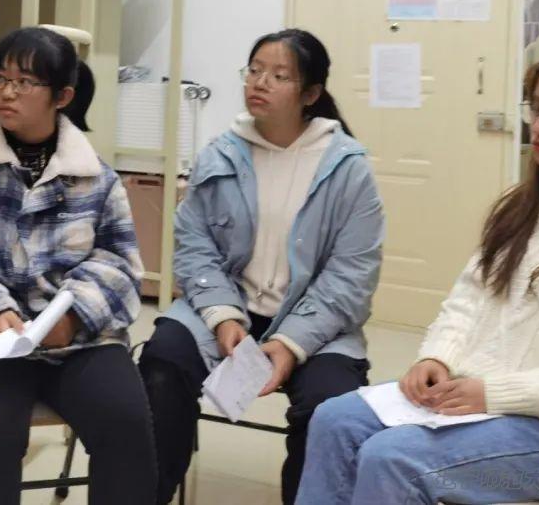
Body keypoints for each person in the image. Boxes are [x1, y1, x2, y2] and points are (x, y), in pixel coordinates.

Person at [297, 48, 539, 505]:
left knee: (395, 458)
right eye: (536, 109)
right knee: (335, 420)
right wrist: (437, 357)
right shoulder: (522, 206)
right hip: (478, 402)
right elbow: (471, 297)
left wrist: (494, 394)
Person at [0, 27, 155, 504]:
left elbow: (120, 263)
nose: (6, 92)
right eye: (0, 78)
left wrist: (72, 316)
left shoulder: (96, 177)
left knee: (126, 421)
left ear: (63, 96)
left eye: (24, 82)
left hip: (77, 338)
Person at [138, 28, 385, 505]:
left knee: (331, 408)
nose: (260, 82)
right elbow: (193, 245)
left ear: (310, 93)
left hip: (316, 322)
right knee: (162, 363)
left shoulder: (348, 169)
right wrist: (222, 316)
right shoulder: (221, 153)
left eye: (279, 75)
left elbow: (352, 275)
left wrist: (291, 343)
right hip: (226, 305)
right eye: (254, 70)